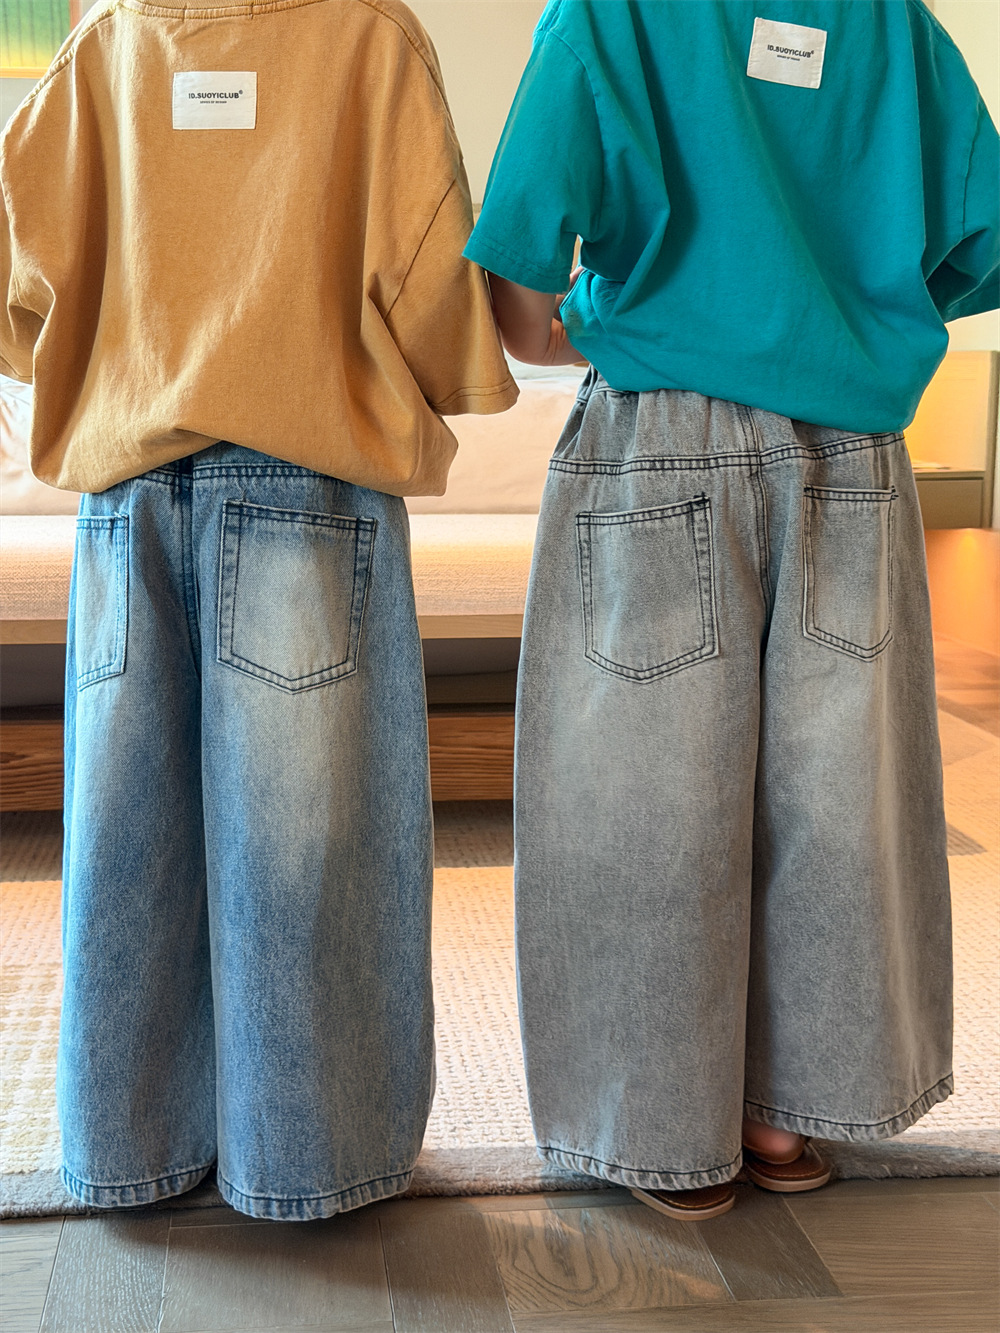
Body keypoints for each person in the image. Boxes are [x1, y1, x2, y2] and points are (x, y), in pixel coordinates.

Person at [465, 0, 999, 1220]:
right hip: (853, 453)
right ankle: (782, 1116)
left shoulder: (609, 14)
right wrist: (834, 302)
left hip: (659, 435)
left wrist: (603, 322)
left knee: (641, 796)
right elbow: (976, 239)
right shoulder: (895, 26)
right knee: (838, 797)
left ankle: (670, 1135)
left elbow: (516, 287)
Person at [1, 0, 517, 1218]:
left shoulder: (104, 40)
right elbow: (439, 301)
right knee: (311, 848)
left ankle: (130, 1147)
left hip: (126, 498)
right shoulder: (367, 38)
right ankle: (308, 1159)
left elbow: (20, 290)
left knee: (125, 841)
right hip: (309, 490)